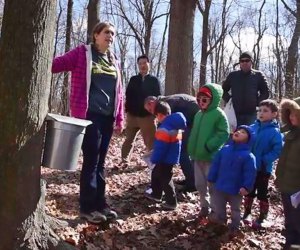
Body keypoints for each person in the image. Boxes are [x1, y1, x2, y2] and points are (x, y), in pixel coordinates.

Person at [52, 22, 124, 223]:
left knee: (101, 163)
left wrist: (119, 118)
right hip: (89, 117)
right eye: (106, 32)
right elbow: (56, 64)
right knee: (92, 161)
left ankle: (101, 204)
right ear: (95, 35)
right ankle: (87, 207)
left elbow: (120, 92)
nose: (110, 36)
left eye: (113, 33)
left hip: (107, 119)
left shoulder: (114, 60)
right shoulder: (82, 54)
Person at [187, 84, 230, 217]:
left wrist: (210, 145)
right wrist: (191, 147)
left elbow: (224, 133)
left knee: (212, 184)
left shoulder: (219, 114)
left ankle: (215, 208)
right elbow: (195, 132)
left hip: (210, 156)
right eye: (199, 100)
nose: (201, 103)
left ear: (213, 100)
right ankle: (204, 206)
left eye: (204, 100)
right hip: (197, 156)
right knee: (199, 184)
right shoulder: (198, 114)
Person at [144, 94, 199, 192]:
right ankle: (190, 179)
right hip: (189, 121)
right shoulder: (166, 101)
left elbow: (166, 121)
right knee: (183, 152)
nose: (152, 113)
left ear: (151, 103)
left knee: (183, 152)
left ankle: (192, 183)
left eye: (149, 110)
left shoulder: (167, 103)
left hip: (192, 121)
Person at [207, 125, 256, 235]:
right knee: (219, 207)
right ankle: (220, 223)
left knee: (235, 209)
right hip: (220, 186)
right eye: (238, 130)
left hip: (236, 189)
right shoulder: (224, 150)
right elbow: (216, 164)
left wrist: (246, 187)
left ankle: (235, 226)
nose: (238, 132)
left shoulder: (248, 156)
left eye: (243, 132)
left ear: (249, 139)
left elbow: (250, 173)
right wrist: (211, 177)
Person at [243, 99, 283, 226]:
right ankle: (247, 212)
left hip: (264, 168)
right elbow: (245, 141)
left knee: (262, 192)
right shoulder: (252, 128)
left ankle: (262, 216)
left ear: (274, 114)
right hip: (250, 167)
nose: (261, 113)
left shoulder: (275, 132)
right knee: (249, 190)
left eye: (265, 111)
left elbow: (277, 150)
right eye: (259, 110)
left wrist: (265, 159)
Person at [145, 101, 187, 210]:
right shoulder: (175, 126)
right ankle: (156, 194)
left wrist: (154, 158)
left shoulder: (164, 128)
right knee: (156, 174)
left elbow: (161, 147)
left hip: (164, 159)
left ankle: (171, 202)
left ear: (160, 115)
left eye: (156, 116)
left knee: (165, 179)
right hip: (170, 157)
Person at [121, 55, 161, 162]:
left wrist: (154, 113)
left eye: (144, 63)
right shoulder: (133, 79)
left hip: (147, 117)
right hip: (132, 115)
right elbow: (128, 95)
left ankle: (153, 162)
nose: (142, 66)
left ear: (149, 64)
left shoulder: (154, 80)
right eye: (140, 64)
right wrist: (127, 110)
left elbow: (158, 98)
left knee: (151, 142)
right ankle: (124, 160)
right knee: (128, 140)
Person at [275, 97, 300, 249]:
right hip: (287, 184)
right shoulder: (291, 134)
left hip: (297, 186)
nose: (291, 117)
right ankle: (290, 243)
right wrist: (279, 177)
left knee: (298, 220)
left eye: (295, 114)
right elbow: (283, 160)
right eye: (290, 114)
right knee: (290, 219)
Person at [222, 51, 269, 126]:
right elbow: (223, 90)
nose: (244, 63)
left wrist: (257, 103)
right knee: (234, 135)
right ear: (239, 63)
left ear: (251, 62)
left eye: (247, 60)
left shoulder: (258, 75)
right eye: (242, 61)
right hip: (234, 113)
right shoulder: (233, 75)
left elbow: (265, 92)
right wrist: (230, 100)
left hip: (252, 113)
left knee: (251, 135)